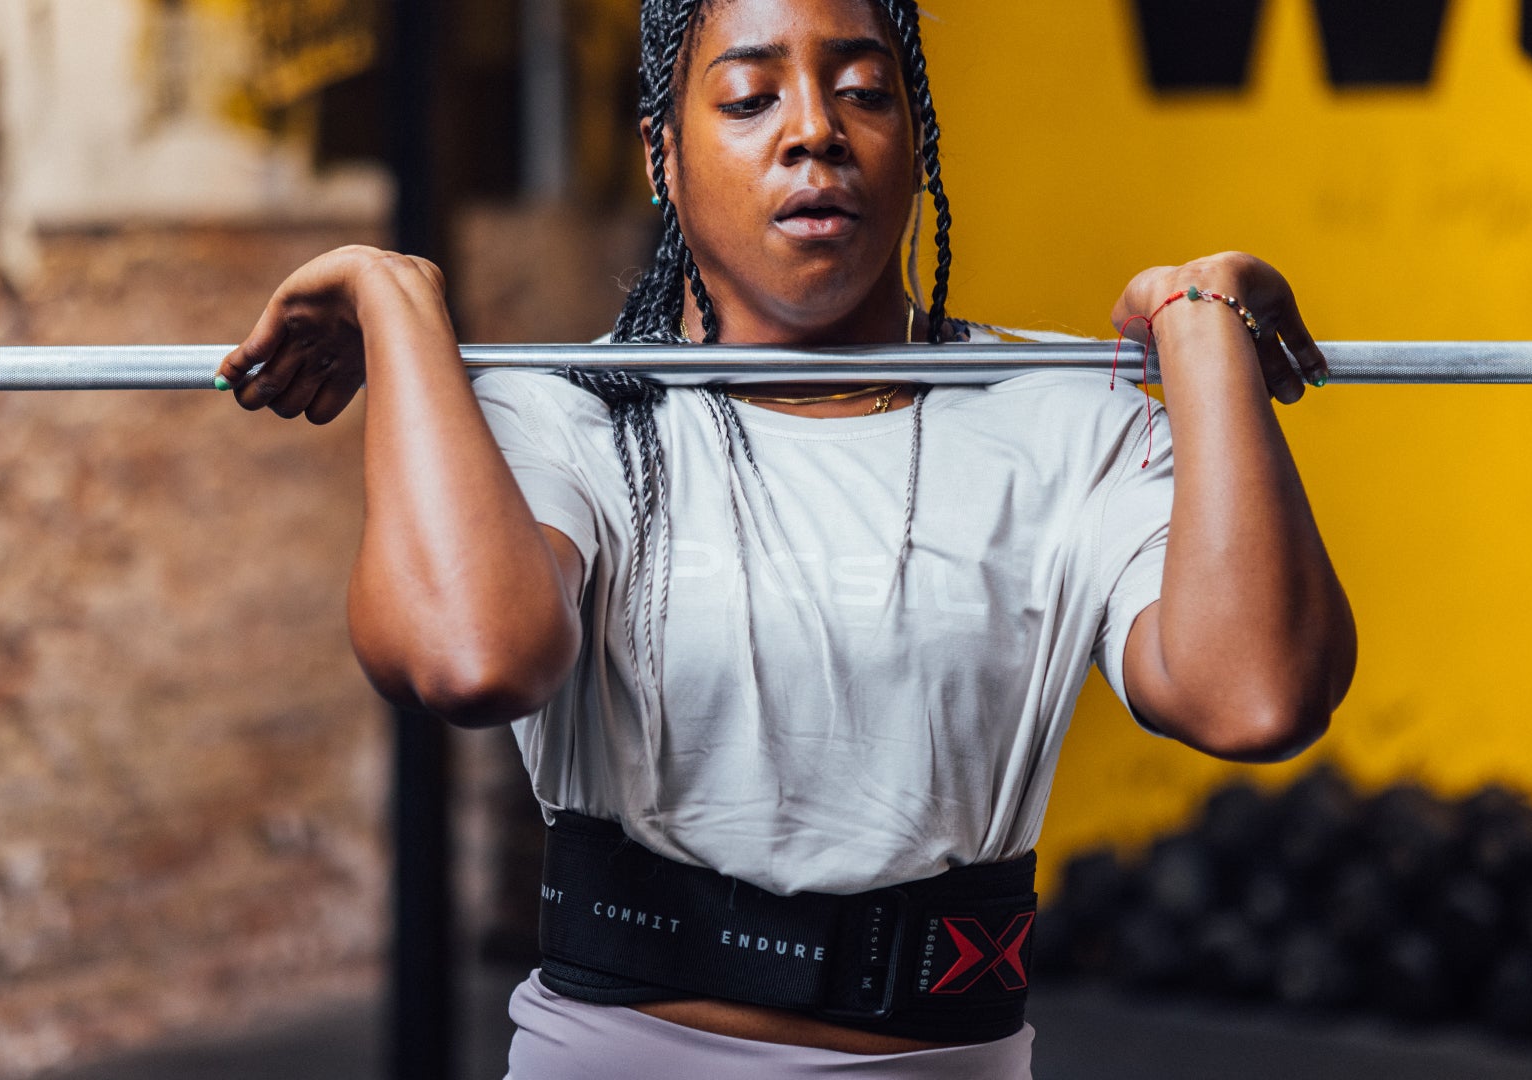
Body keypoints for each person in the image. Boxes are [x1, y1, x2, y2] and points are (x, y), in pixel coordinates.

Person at [218, 0, 1357, 1074]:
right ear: (664, 157)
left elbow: (1253, 694)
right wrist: (399, 300)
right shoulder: (575, 417)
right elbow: (470, 657)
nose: (815, 130)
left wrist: (1201, 328)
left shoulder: (1064, 418)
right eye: (751, 98)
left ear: (917, 140)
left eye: (865, 90)